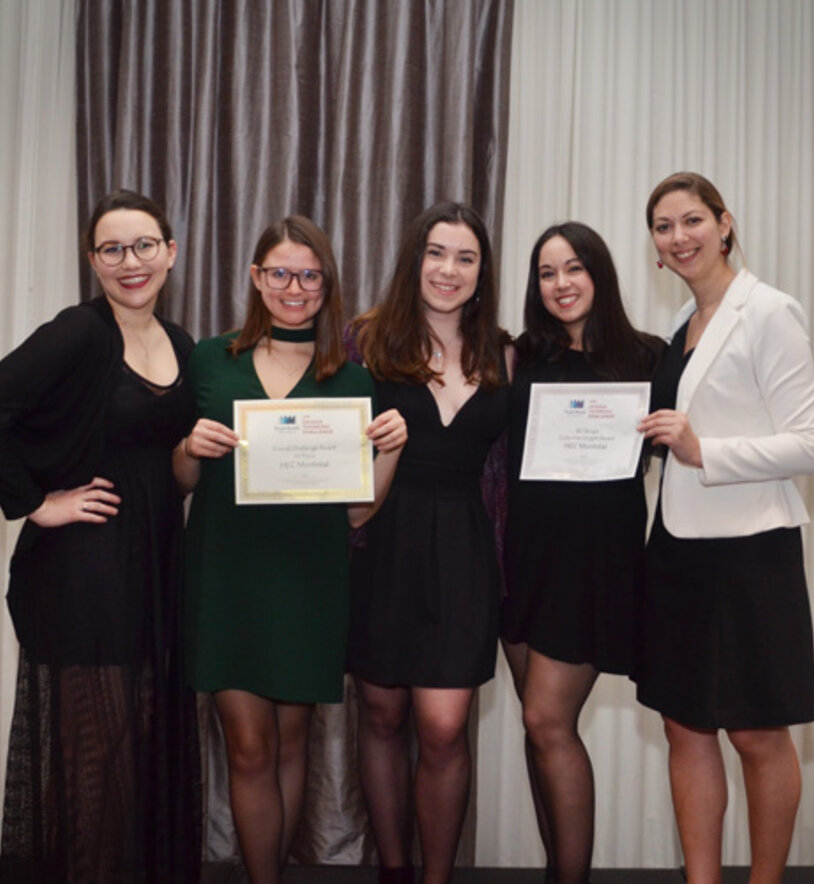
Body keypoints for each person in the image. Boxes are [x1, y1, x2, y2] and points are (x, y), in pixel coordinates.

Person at [175, 215, 405, 884]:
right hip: (225, 574)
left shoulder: (352, 381)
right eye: (280, 273)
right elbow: (180, 482)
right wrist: (188, 446)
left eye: (309, 275)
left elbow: (358, 509)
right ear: (255, 277)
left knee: (292, 741)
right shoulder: (210, 359)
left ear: (326, 283)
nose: (294, 288)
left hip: (310, 578)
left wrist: (393, 450)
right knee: (248, 746)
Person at [0, 190, 201, 883]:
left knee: (137, 741)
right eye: (112, 249)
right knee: (97, 750)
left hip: (154, 560)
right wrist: (34, 504)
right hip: (86, 563)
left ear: (170, 253)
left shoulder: (179, 342)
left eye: (143, 245)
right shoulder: (79, 333)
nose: (130, 261)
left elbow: (172, 459)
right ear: (92, 261)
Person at [635, 172, 814, 884]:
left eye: (692, 220)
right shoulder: (679, 330)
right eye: (663, 227)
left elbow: (811, 444)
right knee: (682, 724)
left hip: (752, 553)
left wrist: (703, 450)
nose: (678, 237)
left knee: (756, 732)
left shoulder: (769, 311)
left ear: (725, 225)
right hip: (677, 551)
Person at [348, 202, 510, 884]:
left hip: (467, 552)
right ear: (414, 260)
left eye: (465, 257)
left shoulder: (506, 353)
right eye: (436, 253)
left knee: (444, 728)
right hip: (381, 544)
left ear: (482, 272)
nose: (449, 269)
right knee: (382, 715)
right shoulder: (366, 341)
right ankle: (395, 870)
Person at [500, 222, 664, 884]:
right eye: (547, 272)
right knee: (538, 727)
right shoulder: (518, 358)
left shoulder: (649, 358)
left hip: (596, 566)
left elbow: (688, 445)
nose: (561, 283)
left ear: (600, 273)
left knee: (547, 720)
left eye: (574, 268)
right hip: (521, 561)